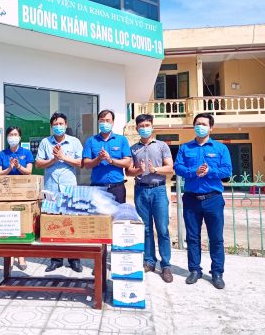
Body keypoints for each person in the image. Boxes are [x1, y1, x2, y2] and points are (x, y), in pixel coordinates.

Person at [174, 113, 232, 289]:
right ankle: (194, 270)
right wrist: (194, 171)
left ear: (211, 128)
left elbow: (227, 170)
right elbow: (178, 167)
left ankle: (217, 272)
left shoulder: (221, 148)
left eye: (204, 124)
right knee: (192, 237)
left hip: (213, 199)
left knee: (216, 238)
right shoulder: (185, 148)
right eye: (198, 124)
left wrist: (210, 171)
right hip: (191, 199)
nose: (200, 127)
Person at [126, 114, 174, 283]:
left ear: (152, 126)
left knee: (162, 229)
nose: (144, 128)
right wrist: (138, 171)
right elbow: (128, 171)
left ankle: (166, 265)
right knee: (145, 229)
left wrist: (156, 170)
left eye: (147, 125)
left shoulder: (162, 146)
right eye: (141, 126)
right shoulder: (133, 148)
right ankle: (149, 261)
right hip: (141, 191)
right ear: (137, 129)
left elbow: (170, 168)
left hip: (158, 190)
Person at [36, 112, 84, 273]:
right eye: (55, 124)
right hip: (51, 189)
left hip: (69, 188)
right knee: (53, 223)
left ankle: (74, 259)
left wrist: (63, 157)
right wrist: (53, 160)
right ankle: (56, 259)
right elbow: (38, 164)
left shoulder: (74, 142)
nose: (58, 126)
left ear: (66, 125)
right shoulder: (45, 142)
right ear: (51, 126)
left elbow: (81, 163)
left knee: (71, 222)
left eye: (61, 124)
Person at [0, 126, 34, 271]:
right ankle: (10, 255)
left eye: (15, 134)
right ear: (7, 137)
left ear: (20, 137)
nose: (13, 137)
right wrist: (9, 168)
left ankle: (21, 256)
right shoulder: (2, 154)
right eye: (10, 134)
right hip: (5, 193)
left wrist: (18, 166)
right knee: (9, 223)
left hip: (22, 192)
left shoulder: (26, 153)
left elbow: (29, 172)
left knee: (22, 223)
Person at [82, 109, 131, 203]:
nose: (105, 123)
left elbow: (127, 162)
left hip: (117, 188)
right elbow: (86, 164)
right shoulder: (91, 141)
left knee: (118, 212)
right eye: (102, 120)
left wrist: (111, 160)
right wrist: (98, 159)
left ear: (113, 123)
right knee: (97, 213)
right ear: (98, 122)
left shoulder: (122, 140)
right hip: (97, 188)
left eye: (108, 120)